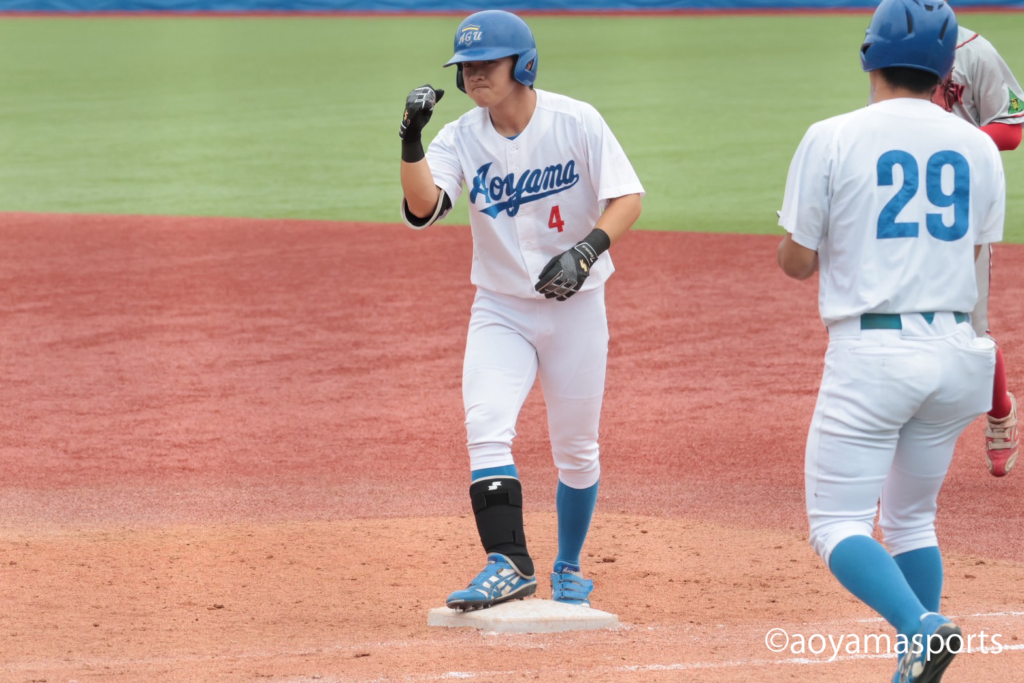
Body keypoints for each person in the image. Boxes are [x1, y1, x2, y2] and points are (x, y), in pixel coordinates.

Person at [777, 1, 1005, 680]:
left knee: (837, 522)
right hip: (958, 351)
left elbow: (797, 262)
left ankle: (921, 627)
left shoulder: (831, 135)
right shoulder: (978, 146)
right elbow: (972, 255)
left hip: (875, 356)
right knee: (911, 520)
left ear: (869, 56)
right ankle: (916, 657)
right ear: (946, 70)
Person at [398, 10, 643, 611]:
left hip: (576, 309)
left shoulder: (575, 121)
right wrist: (410, 140)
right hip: (500, 308)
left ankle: (569, 565)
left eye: (488, 62)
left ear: (524, 65)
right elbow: (425, 208)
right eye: (466, 66)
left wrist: (586, 251)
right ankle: (508, 563)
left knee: (577, 450)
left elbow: (627, 197)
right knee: (486, 427)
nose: (475, 74)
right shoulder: (459, 136)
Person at [932, 23, 1022, 476]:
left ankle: (1000, 409)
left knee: (971, 327)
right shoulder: (888, 47)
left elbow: (1012, 127)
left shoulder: (975, 51)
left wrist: (957, 143)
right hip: (908, 201)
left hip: (964, 205)